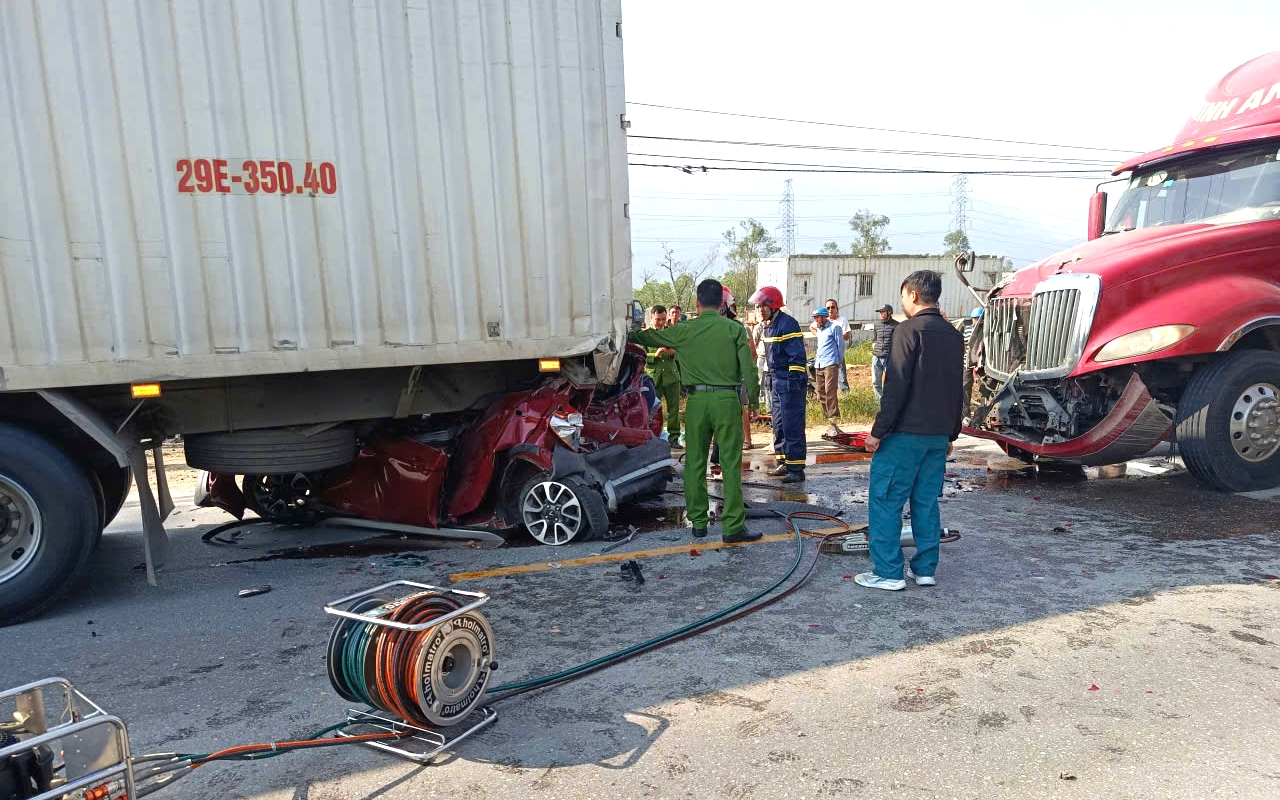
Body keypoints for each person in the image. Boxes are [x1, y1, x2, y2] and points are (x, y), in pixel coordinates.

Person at [856, 271, 964, 592]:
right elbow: (957, 389)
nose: (902, 301)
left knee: (886, 500)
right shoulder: (953, 335)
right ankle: (926, 568)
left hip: (904, 436)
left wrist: (878, 431)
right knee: (926, 502)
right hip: (936, 436)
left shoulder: (907, 331)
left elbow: (896, 386)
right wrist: (951, 434)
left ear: (913, 295)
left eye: (903, 295)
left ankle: (889, 572)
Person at [629, 280, 760, 543]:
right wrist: (754, 402)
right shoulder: (734, 329)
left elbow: (646, 337)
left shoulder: (683, 330)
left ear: (698, 303)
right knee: (731, 464)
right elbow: (750, 369)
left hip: (697, 401)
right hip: (726, 400)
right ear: (722, 304)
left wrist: (628, 332)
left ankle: (698, 522)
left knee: (696, 462)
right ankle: (733, 527)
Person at [750, 286, 807, 484]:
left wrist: (793, 383)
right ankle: (784, 461)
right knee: (779, 424)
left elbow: (797, 357)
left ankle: (797, 468)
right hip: (775, 380)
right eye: (758, 307)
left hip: (790, 383)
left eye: (763, 306)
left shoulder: (788, 324)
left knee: (792, 425)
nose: (759, 310)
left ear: (774, 306)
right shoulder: (769, 325)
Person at [643, 305, 681, 444]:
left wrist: (673, 354)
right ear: (651, 317)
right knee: (651, 411)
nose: (661, 322)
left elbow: (682, 353)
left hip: (671, 377)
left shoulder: (672, 332)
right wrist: (654, 355)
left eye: (664, 319)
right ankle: (652, 438)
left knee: (674, 411)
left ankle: (674, 438)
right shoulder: (645, 335)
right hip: (653, 378)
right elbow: (640, 357)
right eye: (658, 319)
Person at [811, 307, 844, 437]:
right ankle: (829, 419)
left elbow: (840, 345)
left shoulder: (834, 328)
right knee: (820, 393)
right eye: (815, 317)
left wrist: (839, 361)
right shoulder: (820, 330)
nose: (816, 320)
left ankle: (834, 419)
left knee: (830, 391)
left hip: (831, 363)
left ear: (824, 317)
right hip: (819, 364)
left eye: (818, 317)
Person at [811, 299, 852, 392]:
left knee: (841, 377)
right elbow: (811, 327)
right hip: (824, 356)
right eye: (828, 308)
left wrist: (835, 336)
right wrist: (819, 335)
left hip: (836, 353)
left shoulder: (842, 320)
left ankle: (845, 396)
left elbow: (847, 336)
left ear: (837, 309)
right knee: (824, 384)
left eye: (833, 307)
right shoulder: (822, 320)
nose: (830, 309)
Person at [871, 304, 898, 401]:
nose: (881, 314)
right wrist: (874, 348)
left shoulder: (896, 325)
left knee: (890, 382)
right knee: (875, 382)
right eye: (880, 312)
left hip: (889, 358)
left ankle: (889, 402)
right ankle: (878, 403)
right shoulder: (877, 325)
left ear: (889, 312)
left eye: (883, 312)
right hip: (876, 358)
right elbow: (874, 339)